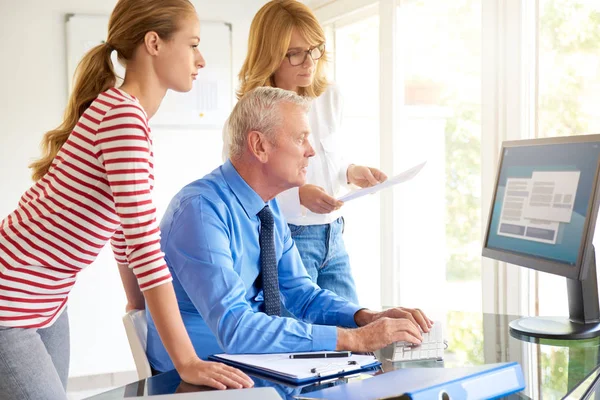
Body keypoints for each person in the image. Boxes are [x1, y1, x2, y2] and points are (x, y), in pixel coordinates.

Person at [0, 1, 253, 398]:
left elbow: (122, 231)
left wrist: (138, 310)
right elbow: (144, 248)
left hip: (48, 300)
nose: (200, 59)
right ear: (154, 43)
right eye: (192, 44)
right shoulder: (123, 119)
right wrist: (187, 361)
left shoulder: (122, 112)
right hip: (10, 301)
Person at [146, 87, 432, 372]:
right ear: (259, 146)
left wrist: (364, 317)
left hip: (254, 367)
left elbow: (301, 294)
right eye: (300, 138)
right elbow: (236, 328)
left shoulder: (268, 209)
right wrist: (352, 339)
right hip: (200, 379)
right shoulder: (201, 212)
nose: (311, 151)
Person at [222, 0, 387, 307]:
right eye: (295, 53)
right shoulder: (252, 112)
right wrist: (297, 196)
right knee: (302, 342)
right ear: (269, 54)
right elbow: (239, 186)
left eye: (314, 49)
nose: (309, 62)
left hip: (333, 234)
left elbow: (328, 159)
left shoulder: (329, 97)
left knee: (352, 332)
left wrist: (350, 172)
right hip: (289, 237)